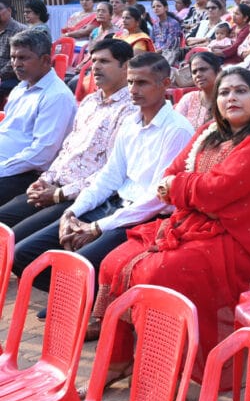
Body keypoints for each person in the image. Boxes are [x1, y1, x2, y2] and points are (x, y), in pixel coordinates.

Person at [86, 67, 250, 383]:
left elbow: (218, 190)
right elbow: (171, 172)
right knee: (114, 263)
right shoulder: (209, 132)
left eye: (241, 91)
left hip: (235, 239)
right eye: (224, 92)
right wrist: (190, 190)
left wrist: (182, 188)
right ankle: (119, 360)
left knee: (156, 274)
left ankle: (161, 370)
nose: (231, 98)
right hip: (190, 226)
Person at [11, 52, 194, 292]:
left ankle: (81, 300)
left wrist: (98, 227)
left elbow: (157, 198)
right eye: (131, 82)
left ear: (165, 84)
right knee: (22, 253)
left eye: (142, 83)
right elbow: (109, 176)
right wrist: (72, 212)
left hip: (144, 217)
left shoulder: (177, 130)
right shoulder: (131, 123)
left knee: (74, 269)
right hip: (114, 205)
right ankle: (75, 298)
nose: (133, 89)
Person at [0, 39, 132, 242]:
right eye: (93, 61)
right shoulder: (90, 102)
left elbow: (110, 171)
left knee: (16, 245)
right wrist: (45, 180)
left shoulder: (130, 110)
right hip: (53, 184)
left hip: (81, 197)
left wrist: (60, 193)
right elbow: (67, 150)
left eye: (104, 61)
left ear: (126, 66)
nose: (96, 67)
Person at [0, 30, 77, 205]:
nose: (15, 64)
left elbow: (42, 154)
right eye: (13, 57)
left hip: (26, 173)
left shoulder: (56, 96)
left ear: (45, 60)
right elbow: (8, 129)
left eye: (23, 58)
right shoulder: (21, 87)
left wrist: (2, 169)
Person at [174, 51, 222, 130]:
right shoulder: (188, 99)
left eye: (203, 69)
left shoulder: (227, 100)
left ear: (219, 71)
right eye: (194, 72)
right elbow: (175, 127)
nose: (198, 75)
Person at [149, 0, 183, 65]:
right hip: (155, 54)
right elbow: (151, 41)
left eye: (158, 6)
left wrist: (155, 52)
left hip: (169, 56)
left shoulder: (173, 23)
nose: (156, 8)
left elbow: (170, 45)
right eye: (153, 7)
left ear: (166, 8)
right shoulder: (155, 25)